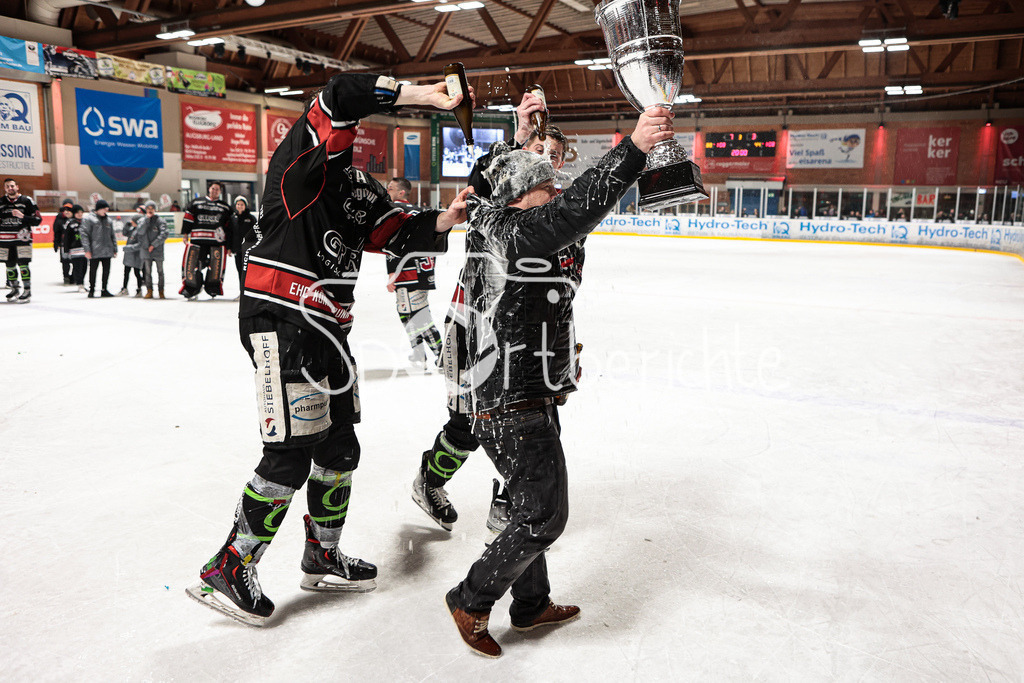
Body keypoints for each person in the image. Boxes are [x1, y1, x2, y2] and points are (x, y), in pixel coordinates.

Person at [185, 72, 474, 628]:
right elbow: (341, 95)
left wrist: (447, 217)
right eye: (339, 130)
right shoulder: (300, 168)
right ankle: (230, 563)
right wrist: (423, 96)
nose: (345, 136)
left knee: (340, 448)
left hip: (328, 333)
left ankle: (321, 554)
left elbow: (396, 229)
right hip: (281, 319)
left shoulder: (357, 189)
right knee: (291, 451)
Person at [443, 106, 671, 658]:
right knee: (545, 513)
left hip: (524, 389)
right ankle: (470, 599)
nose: (556, 188)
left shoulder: (510, 225)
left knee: (528, 501)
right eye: (546, 184)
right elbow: (570, 213)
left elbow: (567, 231)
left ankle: (530, 604)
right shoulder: (514, 229)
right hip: (507, 397)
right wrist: (633, 150)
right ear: (522, 194)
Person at [411, 114, 570, 534]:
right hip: (472, 330)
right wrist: (518, 134)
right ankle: (429, 480)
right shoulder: (501, 199)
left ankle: (509, 503)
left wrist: (562, 345)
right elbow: (482, 182)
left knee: (531, 418)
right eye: (539, 152)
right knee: (468, 423)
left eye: (555, 156)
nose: (548, 161)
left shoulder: (556, 213)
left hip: (529, 340)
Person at [384, 177, 442, 366]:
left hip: (406, 271)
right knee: (412, 313)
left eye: (391, 188)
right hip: (423, 269)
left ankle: (441, 355)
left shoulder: (395, 211)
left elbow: (394, 243)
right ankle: (419, 353)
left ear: (401, 193)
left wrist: (393, 272)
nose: (387, 191)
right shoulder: (422, 211)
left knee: (417, 315)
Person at [180, 181, 232, 300]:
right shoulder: (196, 203)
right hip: (198, 240)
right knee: (193, 265)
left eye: (217, 189)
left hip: (216, 242)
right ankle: (191, 288)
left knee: (215, 267)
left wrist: (229, 244)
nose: (214, 191)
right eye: (213, 188)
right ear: (209, 189)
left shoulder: (225, 207)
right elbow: (188, 218)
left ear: (220, 192)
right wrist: (185, 234)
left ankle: (213, 288)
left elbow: (229, 227)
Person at [1, 178, 41, 303]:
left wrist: (22, 216)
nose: (10, 188)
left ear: (17, 187)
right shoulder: (1, 202)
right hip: (4, 241)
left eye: (12, 186)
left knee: (23, 265)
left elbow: (38, 220)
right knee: (9, 266)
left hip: (22, 240)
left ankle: (27, 290)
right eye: (7, 186)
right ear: (5, 189)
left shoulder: (27, 201)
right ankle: (14, 288)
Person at [80, 199, 117, 298]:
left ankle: (104, 289)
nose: (106, 211)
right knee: (93, 271)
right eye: (104, 209)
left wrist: (115, 249)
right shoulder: (89, 219)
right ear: (99, 209)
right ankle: (92, 290)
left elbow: (112, 235)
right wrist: (87, 250)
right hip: (94, 251)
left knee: (106, 271)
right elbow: (84, 235)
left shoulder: (108, 220)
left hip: (107, 250)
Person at [137, 200, 168, 299]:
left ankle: (161, 291)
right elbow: (140, 232)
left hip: (157, 251)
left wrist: (154, 245)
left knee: (160, 271)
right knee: (147, 272)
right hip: (146, 251)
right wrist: (147, 220)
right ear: (145, 210)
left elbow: (164, 234)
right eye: (148, 209)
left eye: (152, 209)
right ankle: (149, 290)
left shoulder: (160, 221)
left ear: (155, 209)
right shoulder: (142, 221)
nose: (150, 211)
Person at [226, 196, 256, 295]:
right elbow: (229, 234)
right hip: (237, 249)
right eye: (238, 204)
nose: (239, 206)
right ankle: (242, 292)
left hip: (248, 250)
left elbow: (256, 233)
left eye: (242, 204)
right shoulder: (232, 218)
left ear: (245, 206)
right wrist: (229, 248)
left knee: (248, 272)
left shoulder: (251, 218)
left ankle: (250, 292)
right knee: (240, 271)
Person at [118, 207, 145, 297]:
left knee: (137, 273)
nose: (131, 221)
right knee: (126, 273)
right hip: (129, 256)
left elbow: (140, 245)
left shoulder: (139, 231)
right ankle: (125, 288)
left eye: (132, 220)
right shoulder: (132, 229)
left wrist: (128, 248)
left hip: (136, 256)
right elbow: (125, 233)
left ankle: (139, 289)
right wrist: (127, 224)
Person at [63, 205, 88, 291]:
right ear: (74, 213)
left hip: (85, 250)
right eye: (78, 212)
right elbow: (66, 237)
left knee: (84, 267)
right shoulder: (70, 223)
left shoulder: (85, 222)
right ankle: (79, 284)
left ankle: (82, 283)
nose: (80, 214)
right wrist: (66, 250)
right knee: (77, 268)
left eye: (81, 212)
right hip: (75, 250)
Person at [52, 198, 75, 284]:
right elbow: (56, 232)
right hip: (63, 244)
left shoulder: (75, 217)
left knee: (75, 261)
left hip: (74, 245)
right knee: (65, 262)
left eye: (69, 209)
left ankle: (73, 277)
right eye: (65, 209)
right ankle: (66, 276)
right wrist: (56, 243)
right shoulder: (59, 218)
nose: (67, 211)